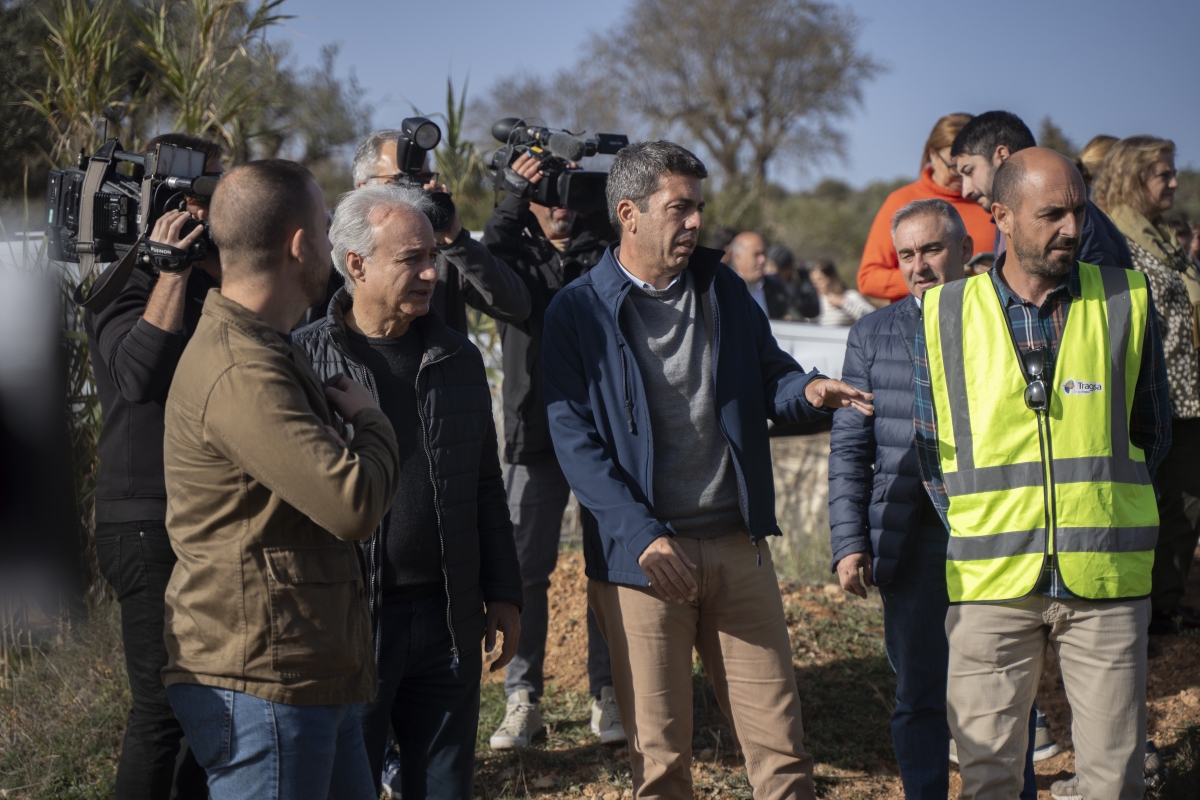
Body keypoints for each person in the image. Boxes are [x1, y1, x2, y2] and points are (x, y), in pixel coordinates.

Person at [542, 140, 874, 799]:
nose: (696, 221)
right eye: (680, 208)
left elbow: (771, 376)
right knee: (661, 764)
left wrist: (808, 392)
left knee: (782, 753)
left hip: (736, 547)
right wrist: (641, 536)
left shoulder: (722, 288)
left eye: (699, 206)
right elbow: (574, 442)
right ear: (629, 213)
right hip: (643, 564)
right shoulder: (577, 311)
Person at [916, 148, 1171, 800]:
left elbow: (1152, 432)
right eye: (1051, 213)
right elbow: (932, 454)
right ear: (1000, 216)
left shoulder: (1125, 298)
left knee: (1114, 782)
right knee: (988, 779)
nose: (1071, 228)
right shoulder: (944, 312)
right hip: (990, 584)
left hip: (1106, 580)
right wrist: (988, 525)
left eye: (1079, 211)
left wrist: (1100, 514)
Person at [162, 160, 401, 800]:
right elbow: (352, 503)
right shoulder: (243, 369)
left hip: (303, 671)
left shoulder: (270, 348)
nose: (331, 244)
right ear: (299, 245)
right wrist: (372, 423)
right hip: (263, 686)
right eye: (324, 230)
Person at [293, 184, 524, 798]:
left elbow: (484, 483)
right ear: (356, 264)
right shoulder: (302, 361)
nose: (430, 273)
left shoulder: (457, 358)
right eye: (411, 259)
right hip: (350, 625)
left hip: (448, 621)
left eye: (432, 257)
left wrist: (503, 591)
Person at [84, 133, 222, 800]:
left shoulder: (208, 280)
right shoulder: (123, 283)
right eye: (199, 191)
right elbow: (137, 377)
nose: (209, 206)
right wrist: (169, 270)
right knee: (161, 710)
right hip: (145, 522)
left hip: (201, 515)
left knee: (207, 704)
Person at [481, 152, 626, 749]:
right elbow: (484, 253)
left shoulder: (611, 252)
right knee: (524, 574)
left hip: (606, 436)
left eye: (569, 191)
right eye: (546, 193)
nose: (559, 204)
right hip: (531, 436)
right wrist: (516, 192)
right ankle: (523, 700)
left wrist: (600, 192)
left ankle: (609, 693)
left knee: (610, 568)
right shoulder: (514, 257)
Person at [831, 198, 969, 799]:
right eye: (907, 254)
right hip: (910, 538)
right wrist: (848, 542)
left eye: (932, 249)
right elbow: (850, 447)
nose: (919, 265)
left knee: (1000, 693)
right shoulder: (871, 334)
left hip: (994, 532)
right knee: (919, 694)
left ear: (964, 249)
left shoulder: (1001, 319)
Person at [1094, 136, 1200, 637]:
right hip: (1154, 396)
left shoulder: (1162, 237)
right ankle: (1146, 614)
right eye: (1164, 174)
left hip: (1188, 396)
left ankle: (1164, 606)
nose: (1174, 182)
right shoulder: (1116, 238)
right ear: (1133, 178)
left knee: (1183, 506)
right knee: (1161, 506)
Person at [350, 129, 530, 334]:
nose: (415, 192)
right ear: (362, 188)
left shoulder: (442, 251)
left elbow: (517, 308)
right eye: (401, 182)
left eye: (423, 179)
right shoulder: (337, 249)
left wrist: (457, 242)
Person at [951, 111, 1133, 270]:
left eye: (969, 171)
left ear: (1002, 156)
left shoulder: (1085, 223)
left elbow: (1100, 291)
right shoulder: (1005, 215)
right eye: (1052, 214)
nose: (965, 191)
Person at [857, 114, 996, 302]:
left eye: (969, 168)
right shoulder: (901, 201)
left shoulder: (992, 202)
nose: (962, 176)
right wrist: (933, 277)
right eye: (954, 166)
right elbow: (869, 279)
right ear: (932, 154)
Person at [729, 230, 793, 319]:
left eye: (764, 254)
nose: (763, 260)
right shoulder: (723, 288)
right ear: (738, 257)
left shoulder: (775, 287)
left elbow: (793, 314)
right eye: (756, 255)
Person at [765, 243, 819, 321]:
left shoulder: (794, 288)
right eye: (767, 266)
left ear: (788, 270)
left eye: (771, 266)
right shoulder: (762, 287)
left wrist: (804, 278)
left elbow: (813, 310)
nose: (768, 271)